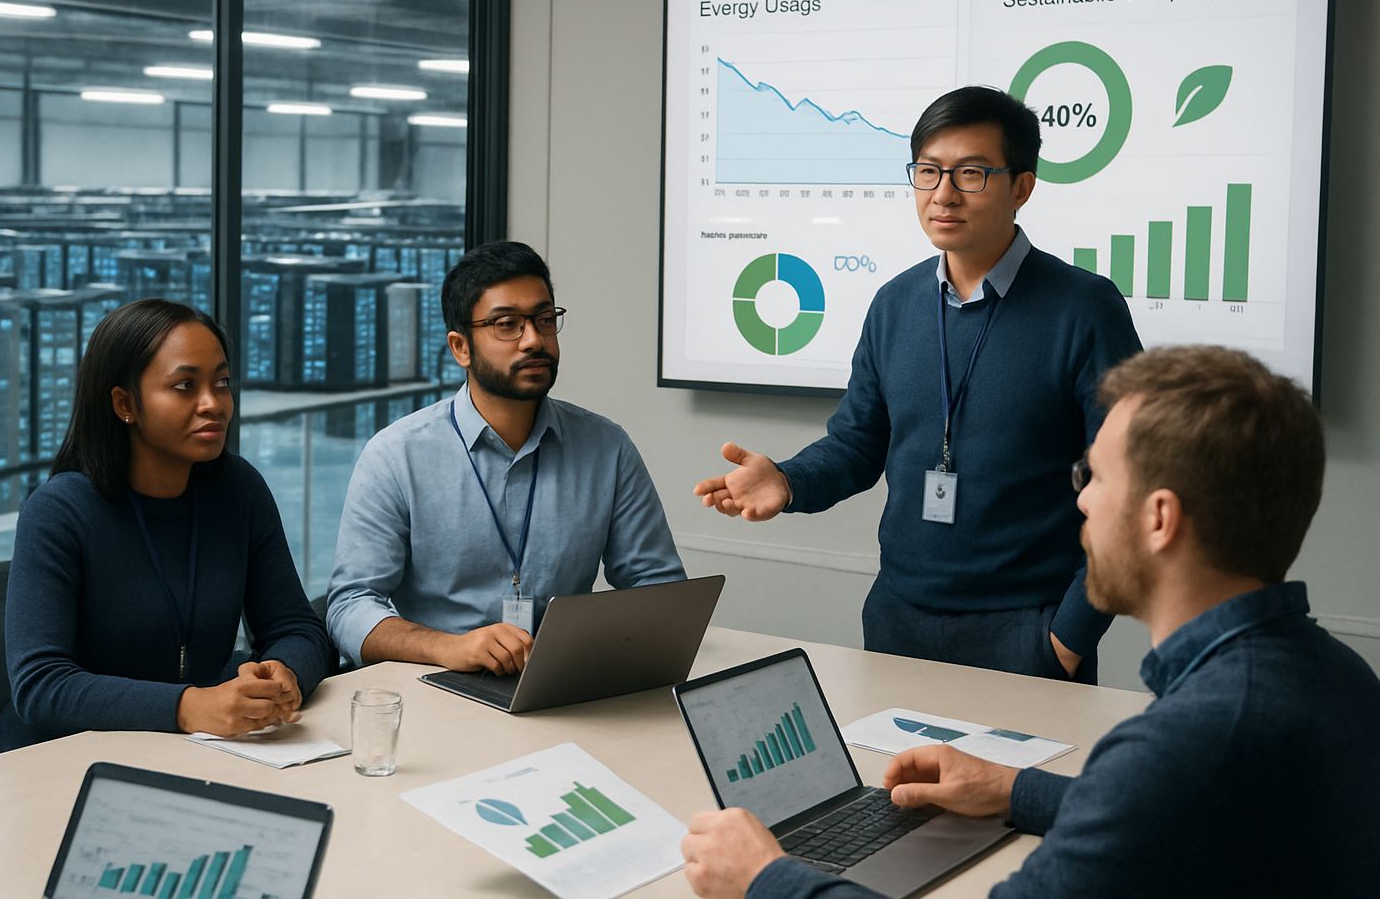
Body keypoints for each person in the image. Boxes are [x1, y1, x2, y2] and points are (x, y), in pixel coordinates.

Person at [682, 346, 1380, 898]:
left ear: (1159, 519)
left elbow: (1158, 788)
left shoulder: (1185, 744)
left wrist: (765, 879)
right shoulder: (1335, 676)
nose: (1080, 505)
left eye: (1094, 479)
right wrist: (1015, 790)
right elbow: (1174, 811)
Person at [694, 86, 1141, 682]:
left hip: (1027, 630)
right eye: (928, 172)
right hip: (896, 621)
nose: (943, 194)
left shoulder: (1084, 309)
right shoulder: (895, 304)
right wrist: (788, 481)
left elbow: (1133, 482)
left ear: (1022, 187)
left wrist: (1067, 636)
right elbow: (858, 445)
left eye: (971, 174)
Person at [0, 299, 331, 753]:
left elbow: (298, 627)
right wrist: (188, 707)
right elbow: (41, 686)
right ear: (125, 403)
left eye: (222, 382)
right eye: (185, 386)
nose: (213, 404)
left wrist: (284, 672)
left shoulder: (238, 490)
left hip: (198, 750)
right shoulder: (60, 511)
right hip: (61, 761)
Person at [325, 240, 686, 673]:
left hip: (562, 685)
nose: (533, 340)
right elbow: (349, 607)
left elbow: (659, 590)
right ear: (461, 347)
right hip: (436, 688)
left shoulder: (606, 447)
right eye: (507, 324)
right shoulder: (396, 455)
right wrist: (449, 648)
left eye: (544, 319)